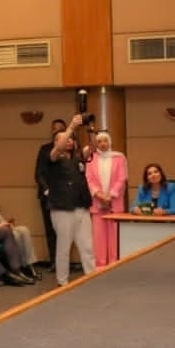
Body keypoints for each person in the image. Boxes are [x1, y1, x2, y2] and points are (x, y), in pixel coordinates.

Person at [41, 114, 96, 286]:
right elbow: (58, 148)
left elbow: (93, 147)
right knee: (63, 247)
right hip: (62, 208)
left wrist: (90, 128)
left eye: (71, 138)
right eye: (64, 138)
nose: (69, 140)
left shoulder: (78, 157)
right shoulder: (52, 157)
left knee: (87, 247)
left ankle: (91, 277)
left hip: (81, 207)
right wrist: (71, 127)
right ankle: (62, 282)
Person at [86, 130, 129, 267]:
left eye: (105, 140)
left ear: (109, 142)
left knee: (114, 235)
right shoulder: (91, 158)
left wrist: (110, 196)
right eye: (99, 141)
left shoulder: (119, 157)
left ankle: (114, 264)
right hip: (97, 202)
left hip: (114, 202)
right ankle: (100, 265)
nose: (102, 144)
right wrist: (99, 195)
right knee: (98, 236)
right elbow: (89, 179)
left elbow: (122, 178)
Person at [32, 117, 68, 267]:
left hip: (66, 195)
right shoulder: (45, 149)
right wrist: (46, 190)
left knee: (65, 230)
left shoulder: (70, 148)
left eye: (61, 129)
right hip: (48, 196)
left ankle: (64, 261)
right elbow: (39, 173)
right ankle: (54, 261)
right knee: (50, 229)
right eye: (55, 128)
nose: (57, 131)